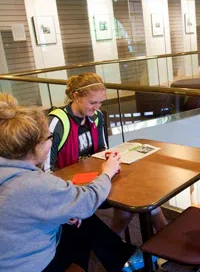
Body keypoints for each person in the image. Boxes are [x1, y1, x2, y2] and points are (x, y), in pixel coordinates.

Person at [0, 93, 136, 272]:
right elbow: (87, 201)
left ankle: (123, 259)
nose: (51, 142)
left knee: (73, 218)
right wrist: (107, 172)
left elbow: (16, 211)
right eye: (49, 137)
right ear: (34, 146)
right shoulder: (35, 184)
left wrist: (64, 213)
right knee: (79, 226)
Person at [46, 72, 168, 237]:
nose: (97, 108)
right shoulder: (57, 122)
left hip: (94, 177)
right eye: (92, 102)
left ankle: (159, 242)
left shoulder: (96, 117)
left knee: (143, 198)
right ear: (76, 96)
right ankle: (115, 244)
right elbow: (47, 170)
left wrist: (110, 157)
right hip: (70, 185)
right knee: (130, 201)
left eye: (101, 102)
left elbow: (101, 149)